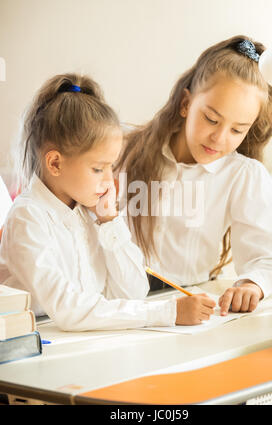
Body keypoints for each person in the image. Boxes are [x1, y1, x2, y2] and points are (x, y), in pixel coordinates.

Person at [0, 73, 216, 330]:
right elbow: (69, 311)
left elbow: (134, 291)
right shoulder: (28, 218)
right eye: (98, 168)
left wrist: (110, 221)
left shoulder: (89, 211)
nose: (108, 180)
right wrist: (167, 312)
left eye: (111, 166)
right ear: (55, 163)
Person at [116, 35, 272, 316]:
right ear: (186, 103)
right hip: (121, 308)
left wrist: (251, 285)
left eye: (237, 129)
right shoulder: (126, 151)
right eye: (211, 119)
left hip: (192, 310)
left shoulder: (244, 176)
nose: (219, 138)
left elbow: (264, 258)